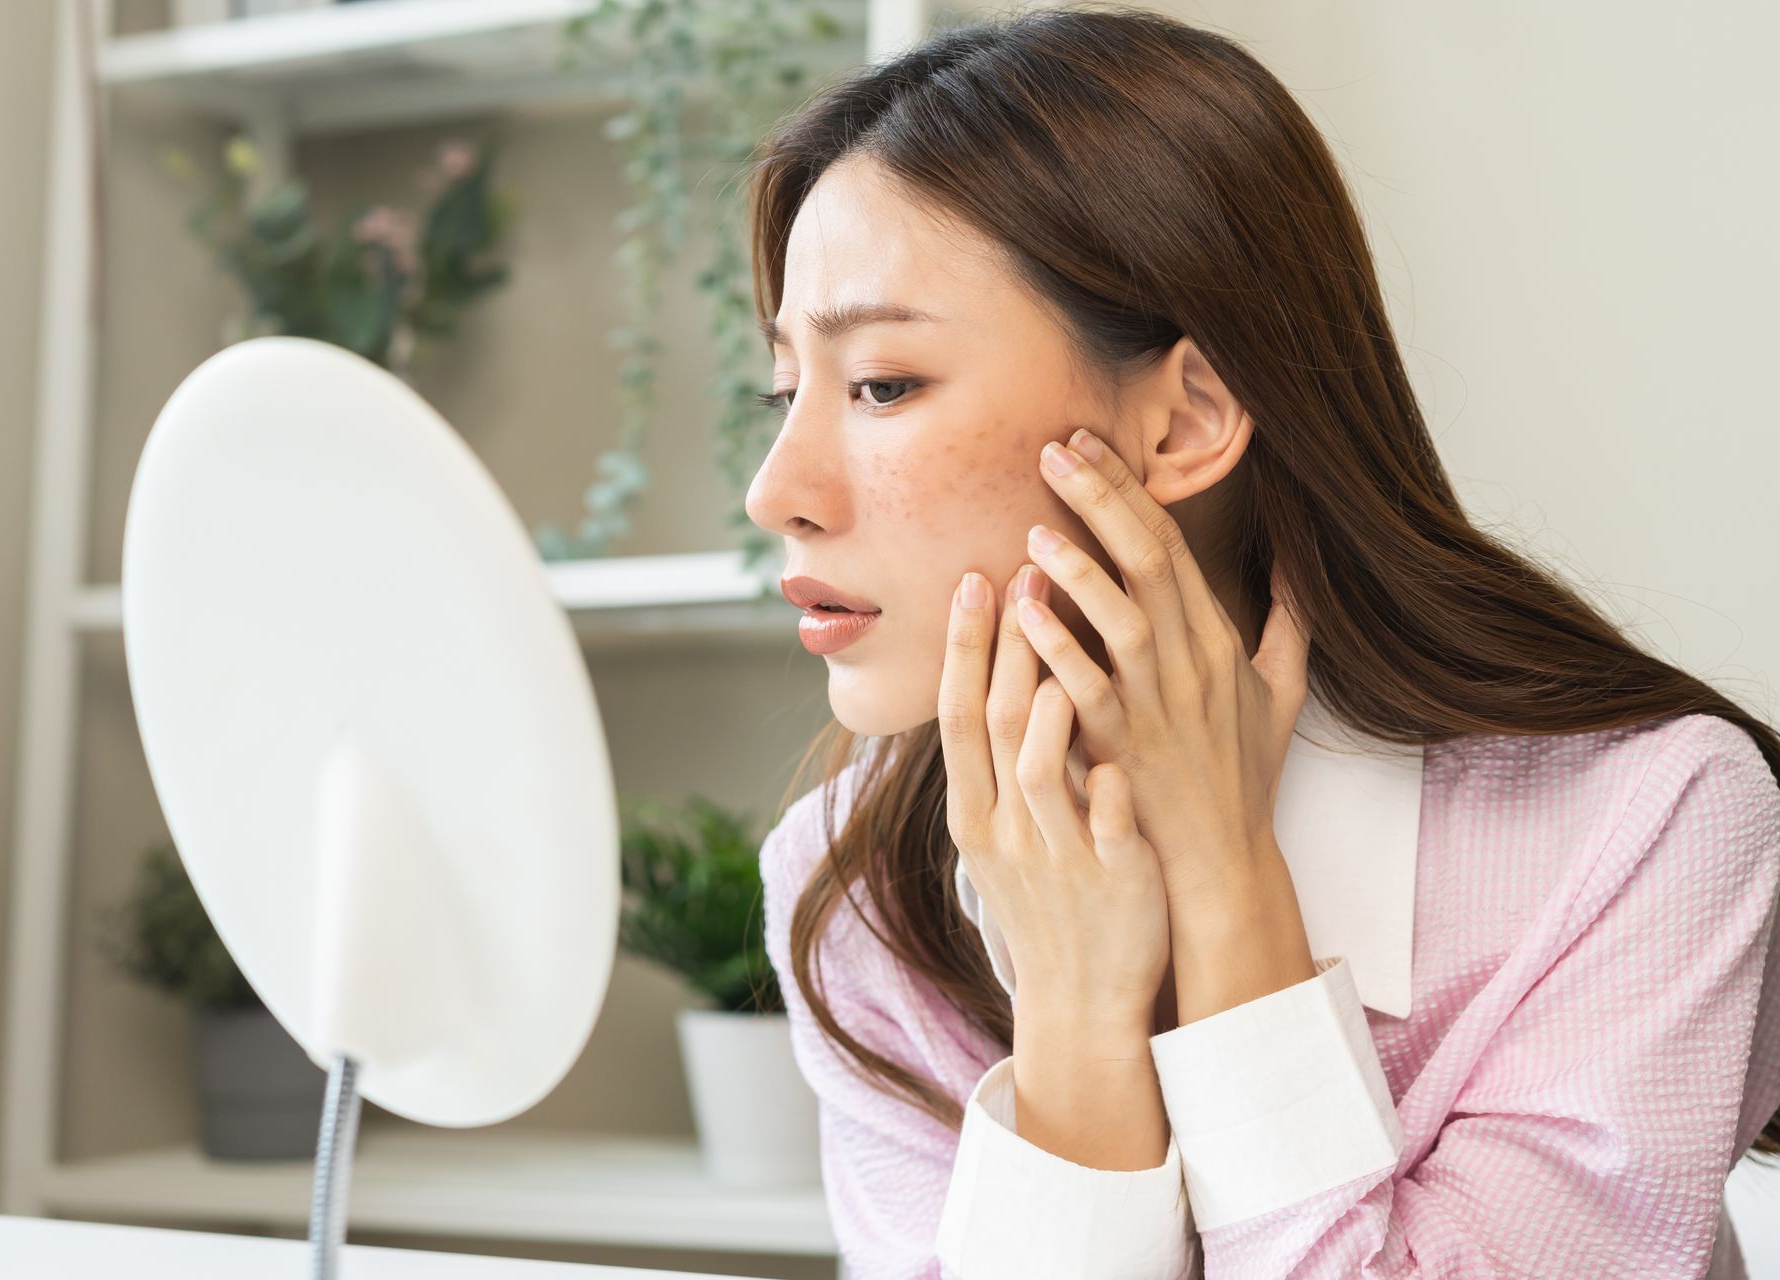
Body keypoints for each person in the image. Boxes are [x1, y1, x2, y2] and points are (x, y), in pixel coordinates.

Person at [739, 6, 1780, 1278]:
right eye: (783, 392)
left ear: (1184, 421)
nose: (775, 488)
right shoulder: (853, 887)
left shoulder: (1646, 821)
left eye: (882, 384)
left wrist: (1229, 893)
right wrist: (1073, 1018)